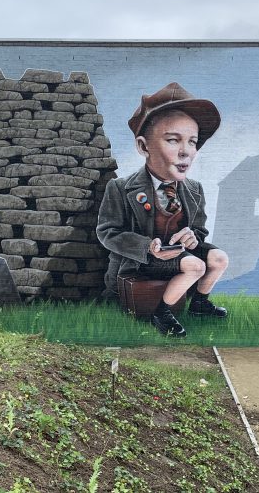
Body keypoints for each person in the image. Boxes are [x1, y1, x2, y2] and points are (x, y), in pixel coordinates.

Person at [96, 82, 229, 337]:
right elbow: (107, 233)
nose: (185, 152)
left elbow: (199, 229)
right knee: (195, 266)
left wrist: (193, 236)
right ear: (144, 147)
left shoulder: (194, 189)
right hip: (143, 260)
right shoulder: (120, 188)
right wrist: (147, 246)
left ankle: (199, 303)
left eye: (192, 142)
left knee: (219, 258)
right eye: (173, 140)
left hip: (179, 253)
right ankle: (162, 313)